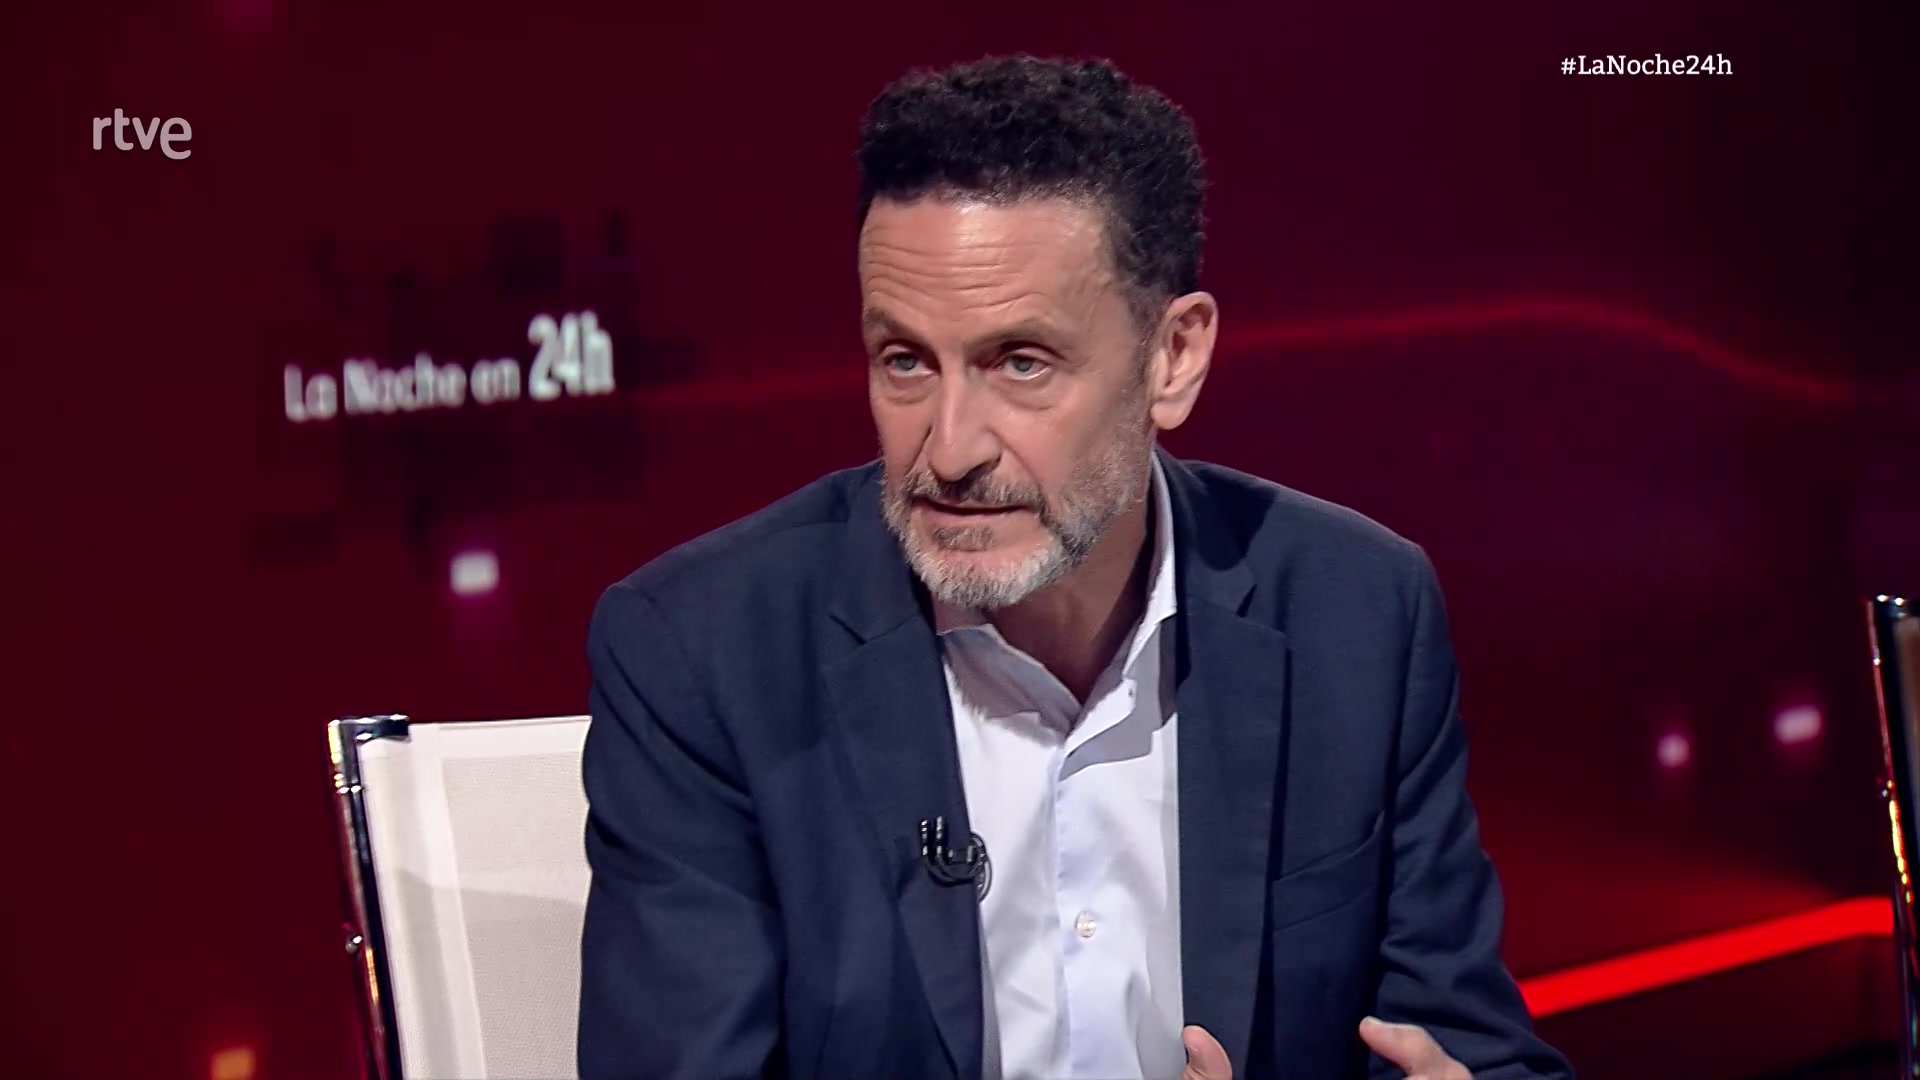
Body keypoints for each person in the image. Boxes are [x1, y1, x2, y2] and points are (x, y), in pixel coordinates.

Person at [577, 54, 1572, 1080]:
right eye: (905, 361)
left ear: (1172, 357)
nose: (949, 449)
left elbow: (1467, 1050)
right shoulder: (705, 656)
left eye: (1021, 363)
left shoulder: (1355, 615)